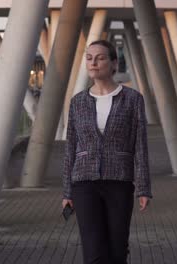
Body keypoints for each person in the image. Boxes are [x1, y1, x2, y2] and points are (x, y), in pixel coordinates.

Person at [62, 39, 152, 264]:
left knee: (118, 249)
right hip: (84, 184)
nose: (93, 62)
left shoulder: (132, 99)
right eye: (89, 58)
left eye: (100, 58)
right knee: (93, 252)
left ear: (114, 64)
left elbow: (140, 145)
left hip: (119, 182)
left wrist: (143, 188)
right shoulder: (77, 102)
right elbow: (70, 147)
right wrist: (67, 192)